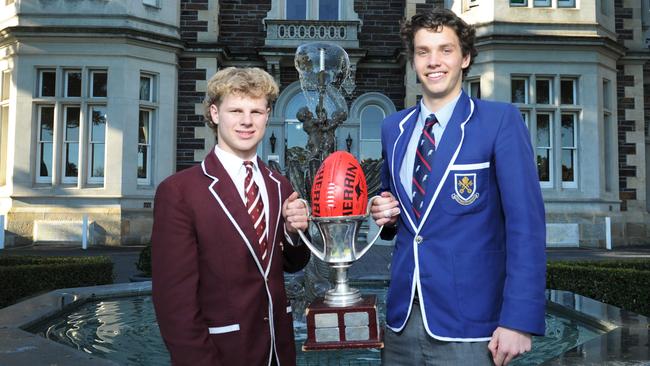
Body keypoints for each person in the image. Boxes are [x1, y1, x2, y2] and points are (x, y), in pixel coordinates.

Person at [370, 8, 546, 366]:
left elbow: (526, 227)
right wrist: (384, 213)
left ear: (465, 58)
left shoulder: (499, 121)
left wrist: (518, 321)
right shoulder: (394, 128)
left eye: (445, 50)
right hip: (402, 321)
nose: (434, 61)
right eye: (423, 51)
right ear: (413, 60)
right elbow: (401, 211)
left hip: (470, 323)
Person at [151, 67, 311, 366]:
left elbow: (293, 263)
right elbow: (174, 303)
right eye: (236, 110)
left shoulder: (280, 185)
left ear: (267, 115)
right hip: (222, 353)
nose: (247, 121)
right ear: (214, 113)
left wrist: (292, 233)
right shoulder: (179, 191)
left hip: (279, 351)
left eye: (256, 111)